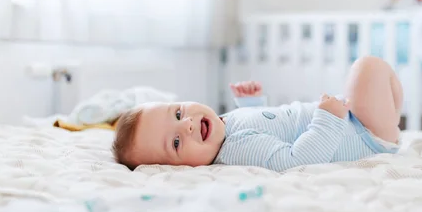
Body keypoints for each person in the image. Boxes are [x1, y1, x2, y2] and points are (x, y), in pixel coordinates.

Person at [112, 56, 403, 171]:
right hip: (363, 135)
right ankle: (390, 131)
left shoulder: (223, 128)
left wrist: (251, 104)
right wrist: (328, 118)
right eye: (175, 143)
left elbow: (266, 127)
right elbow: (298, 160)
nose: (187, 125)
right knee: (367, 69)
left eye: (177, 114)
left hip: (354, 122)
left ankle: (392, 125)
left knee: (375, 71)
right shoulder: (237, 150)